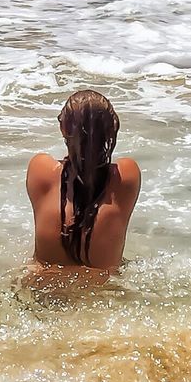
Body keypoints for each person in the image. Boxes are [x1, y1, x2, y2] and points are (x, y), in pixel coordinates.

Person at [26, 89, 140, 271]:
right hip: (105, 290)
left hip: (41, 286)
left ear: (64, 129)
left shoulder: (40, 169)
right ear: (111, 129)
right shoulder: (127, 175)